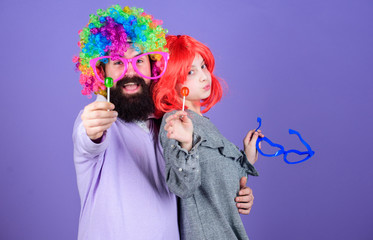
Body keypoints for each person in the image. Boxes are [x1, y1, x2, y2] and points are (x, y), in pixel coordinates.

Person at [73, 5, 255, 240]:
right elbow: (88, 137)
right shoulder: (98, 122)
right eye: (117, 62)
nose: (130, 71)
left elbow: (193, 184)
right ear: (102, 70)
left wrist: (235, 192)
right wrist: (91, 127)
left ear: (153, 65)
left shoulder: (169, 125)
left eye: (139, 60)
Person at [153, 35, 264, 240]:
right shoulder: (176, 121)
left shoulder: (203, 122)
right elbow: (183, 187)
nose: (205, 76)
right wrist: (187, 144)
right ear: (171, 80)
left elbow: (216, 180)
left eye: (203, 66)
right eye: (191, 72)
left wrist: (246, 161)